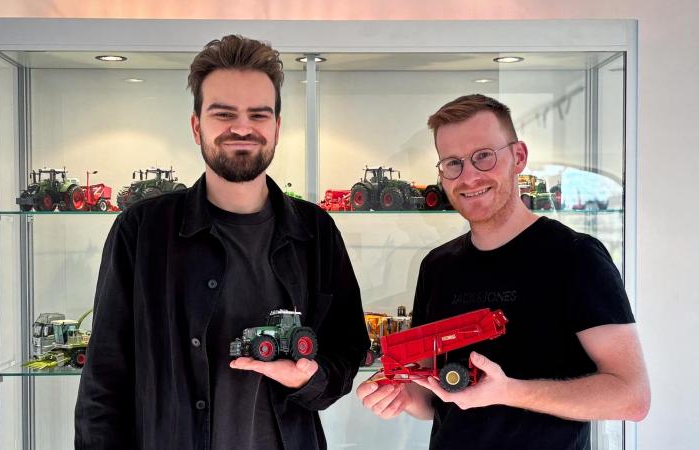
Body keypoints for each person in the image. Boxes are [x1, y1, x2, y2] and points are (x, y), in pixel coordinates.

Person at [75, 35, 369, 450]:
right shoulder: (141, 231)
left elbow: (348, 347)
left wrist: (311, 377)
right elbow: (103, 382)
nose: (242, 127)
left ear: (277, 128)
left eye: (258, 114)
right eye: (224, 113)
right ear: (197, 127)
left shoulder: (316, 232)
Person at [356, 94, 650, 449]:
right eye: (453, 163)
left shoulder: (575, 257)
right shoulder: (437, 266)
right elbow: (434, 402)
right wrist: (404, 397)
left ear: (519, 157)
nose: (469, 177)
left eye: (483, 156)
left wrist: (509, 391)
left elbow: (631, 397)